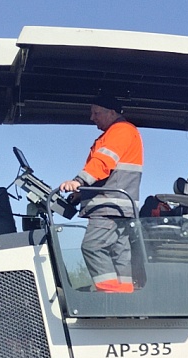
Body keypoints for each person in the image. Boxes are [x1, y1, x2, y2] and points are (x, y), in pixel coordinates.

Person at [59, 94, 143, 293]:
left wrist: (78, 182)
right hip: (120, 208)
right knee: (119, 253)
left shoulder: (120, 131)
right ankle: (124, 296)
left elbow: (103, 163)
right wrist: (81, 193)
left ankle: (109, 296)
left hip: (108, 206)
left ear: (111, 112)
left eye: (96, 113)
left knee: (93, 246)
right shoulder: (123, 132)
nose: (92, 118)